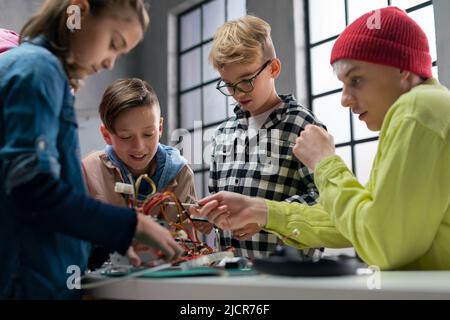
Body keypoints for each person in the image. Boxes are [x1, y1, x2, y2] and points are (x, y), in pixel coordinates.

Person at [191, 7, 450, 270]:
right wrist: (259, 211)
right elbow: (356, 224)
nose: (344, 99)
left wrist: (326, 162)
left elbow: (380, 245)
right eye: (229, 85)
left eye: (357, 80)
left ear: (401, 69)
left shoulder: (416, 111)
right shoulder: (419, 112)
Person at [0, 0, 182, 299]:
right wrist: (129, 224)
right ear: (79, 12)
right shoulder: (38, 69)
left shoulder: (36, 68)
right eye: (114, 43)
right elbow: (32, 190)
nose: (111, 62)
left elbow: (43, 212)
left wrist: (110, 240)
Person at [207, 15, 325, 259]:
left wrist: (265, 217)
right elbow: (219, 206)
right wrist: (207, 217)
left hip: (289, 278)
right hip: (232, 276)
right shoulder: (223, 134)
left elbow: (326, 203)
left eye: (247, 80)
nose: (238, 92)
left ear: (273, 68)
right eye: (229, 85)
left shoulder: (303, 126)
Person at [83, 78, 211, 267]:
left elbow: (188, 243)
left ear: (160, 128)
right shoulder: (89, 170)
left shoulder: (180, 172)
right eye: (126, 136)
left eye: (148, 134)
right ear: (107, 134)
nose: (139, 147)